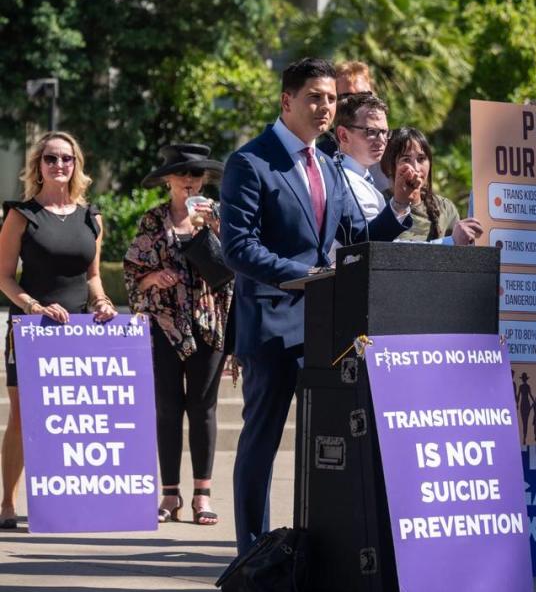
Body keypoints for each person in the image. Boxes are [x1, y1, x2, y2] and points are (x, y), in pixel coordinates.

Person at [220, 57, 412, 554]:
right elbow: (238, 247)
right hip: (270, 324)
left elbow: (355, 241)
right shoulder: (250, 162)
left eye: (330, 98)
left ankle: (323, 554)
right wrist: (302, 277)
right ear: (288, 101)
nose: (326, 106)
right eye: (315, 97)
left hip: (326, 328)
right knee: (261, 441)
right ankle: (252, 555)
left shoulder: (327, 165)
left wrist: (399, 208)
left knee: (327, 443)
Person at [0, 131, 117, 528]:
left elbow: (94, 276)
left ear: (76, 165)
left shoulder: (92, 217)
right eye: (50, 158)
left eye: (66, 158)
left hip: (79, 332)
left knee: (74, 418)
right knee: (21, 416)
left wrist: (102, 302)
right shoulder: (21, 214)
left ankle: (66, 503)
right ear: (38, 165)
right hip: (32, 330)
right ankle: (8, 503)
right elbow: (4, 278)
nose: (59, 165)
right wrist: (33, 306)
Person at [123, 143, 232, 525]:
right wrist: (154, 277)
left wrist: (209, 232)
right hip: (164, 326)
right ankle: (170, 495)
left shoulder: (219, 216)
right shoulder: (152, 221)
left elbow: (231, 273)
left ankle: (202, 494)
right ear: (168, 180)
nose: (190, 181)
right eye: (183, 174)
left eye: (197, 175)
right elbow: (132, 272)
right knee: (168, 409)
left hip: (209, 325)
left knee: (203, 409)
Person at [381, 127, 484, 245]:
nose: (415, 168)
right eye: (406, 159)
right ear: (389, 166)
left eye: (421, 159)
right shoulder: (379, 203)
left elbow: (456, 258)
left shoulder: (446, 208)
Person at [333, 93, 391, 220]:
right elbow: (369, 237)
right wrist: (399, 205)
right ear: (343, 135)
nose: (382, 140)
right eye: (371, 132)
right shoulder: (343, 180)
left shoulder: (361, 175)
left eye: (385, 132)